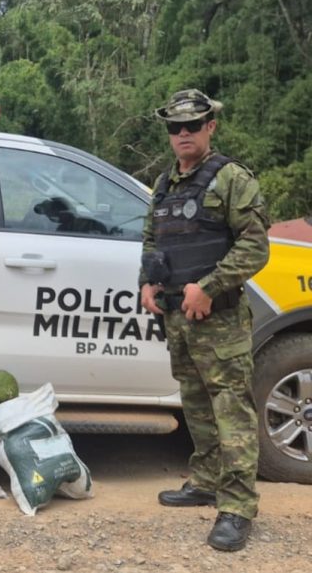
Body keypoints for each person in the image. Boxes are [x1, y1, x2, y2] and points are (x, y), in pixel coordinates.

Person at [139, 89, 270, 552]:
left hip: (220, 319)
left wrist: (209, 287)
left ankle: (237, 508)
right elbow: (153, 240)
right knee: (196, 405)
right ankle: (207, 481)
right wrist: (148, 281)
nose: (183, 134)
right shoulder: (164, 183)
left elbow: (255, 247)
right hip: (179, 317)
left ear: (210, 126)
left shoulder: (231, 178)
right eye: (175, 127)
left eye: (192, 125)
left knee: (231, 410)